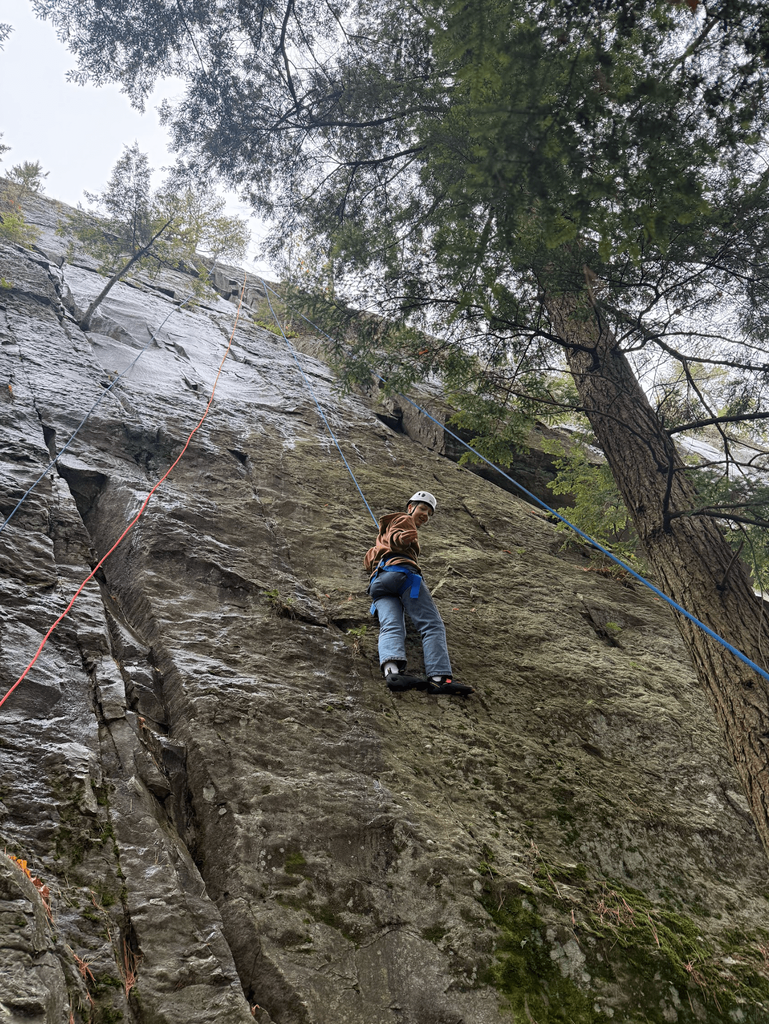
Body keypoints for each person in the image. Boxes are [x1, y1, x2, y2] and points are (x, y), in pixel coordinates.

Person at [364, 491, 474, 696]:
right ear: (410, 508)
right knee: (431, 624)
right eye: (422, 508)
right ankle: (439, 678)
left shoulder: (379, 541)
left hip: (379, 584)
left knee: (391, 625)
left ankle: (393, 672)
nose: (425, 514)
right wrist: (402, 539)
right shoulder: (404, 520)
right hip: (402, 575)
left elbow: (367, 562)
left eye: (429, 513)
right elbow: (398, 537)